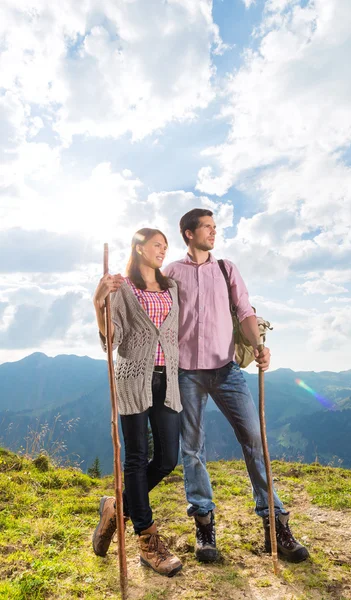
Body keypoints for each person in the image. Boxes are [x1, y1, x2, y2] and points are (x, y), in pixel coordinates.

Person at [163, 208, 310, 564]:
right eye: (207, 228)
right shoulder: (171, 273)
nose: (214, 233)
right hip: (186, 373)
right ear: (188, 233)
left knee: (255, 440)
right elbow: (157, 313)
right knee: (192, 449)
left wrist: (259, 346)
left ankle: (275, 525)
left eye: (215, 227)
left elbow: (245, 312)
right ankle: (204, 525)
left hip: (227, 370)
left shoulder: (226, 269)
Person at [92, 228, 183, 577]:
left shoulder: (172, 287)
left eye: (165, 246)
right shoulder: (123, 288)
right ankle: (147, 540)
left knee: (166, 459)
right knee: (136, 457)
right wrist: (97, 302)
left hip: (168, 379)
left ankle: (117, 507)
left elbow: (175, 333)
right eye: (157, 244)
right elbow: (111, 337)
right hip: (133, 377)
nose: (162, 250)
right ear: (139, 247)